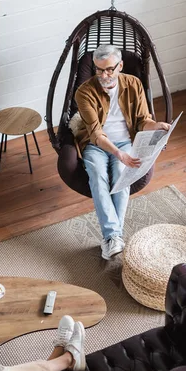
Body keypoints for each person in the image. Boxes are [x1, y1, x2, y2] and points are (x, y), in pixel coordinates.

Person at [72, 44, 171, 260]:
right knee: (98, 175)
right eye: (98, 70)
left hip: (127, 141)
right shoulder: (84, 92)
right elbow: (96, 133)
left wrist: (157, 126)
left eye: (109, 69)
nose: (104, 75)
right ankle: (114, 235)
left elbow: (143, 120)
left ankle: (112, 238)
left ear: (120, 66)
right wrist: (119, 154)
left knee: (121, 175)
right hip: (95, 144)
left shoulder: (133, 83)